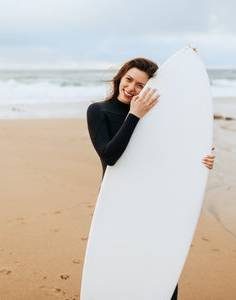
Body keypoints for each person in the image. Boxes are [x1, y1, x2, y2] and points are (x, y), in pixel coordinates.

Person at [86, 57, 215, 300]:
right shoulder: (98, 111)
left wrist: (202, 161)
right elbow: (111, 156)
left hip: (154, 199)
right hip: (118, 201)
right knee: (121, 268)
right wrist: (134, 115)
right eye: (129, 80)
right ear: (120, 77)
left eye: (141, 86)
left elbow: (169, 155)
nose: (132, 88)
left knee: (160, 268)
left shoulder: (156, 117)